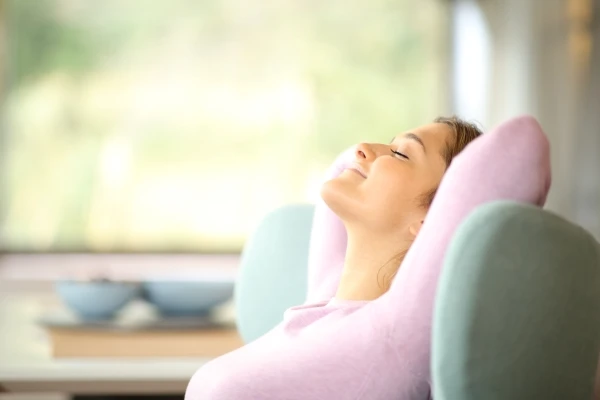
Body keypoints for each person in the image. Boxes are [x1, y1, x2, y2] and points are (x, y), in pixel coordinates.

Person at [185, 115, 551, 399]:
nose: (363, 148)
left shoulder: (400, 333)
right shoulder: (323, 303)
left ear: (435, 220)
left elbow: (520, 146)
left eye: (401, 154)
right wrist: (386, 157)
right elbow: (345, 160)